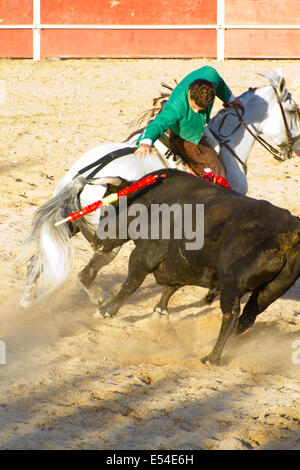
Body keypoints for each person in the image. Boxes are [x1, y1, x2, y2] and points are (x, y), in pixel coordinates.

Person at [135, 65, 244, 177]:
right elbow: (159, 123)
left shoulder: (210, 75)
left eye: (200, 109)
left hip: (195, 125)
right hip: (185, 135)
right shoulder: (176, 107)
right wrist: (146, 142)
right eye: (194, 106)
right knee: (216, 173)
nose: (196, 111)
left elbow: (218, 81)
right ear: (190, 94)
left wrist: (231, 99)